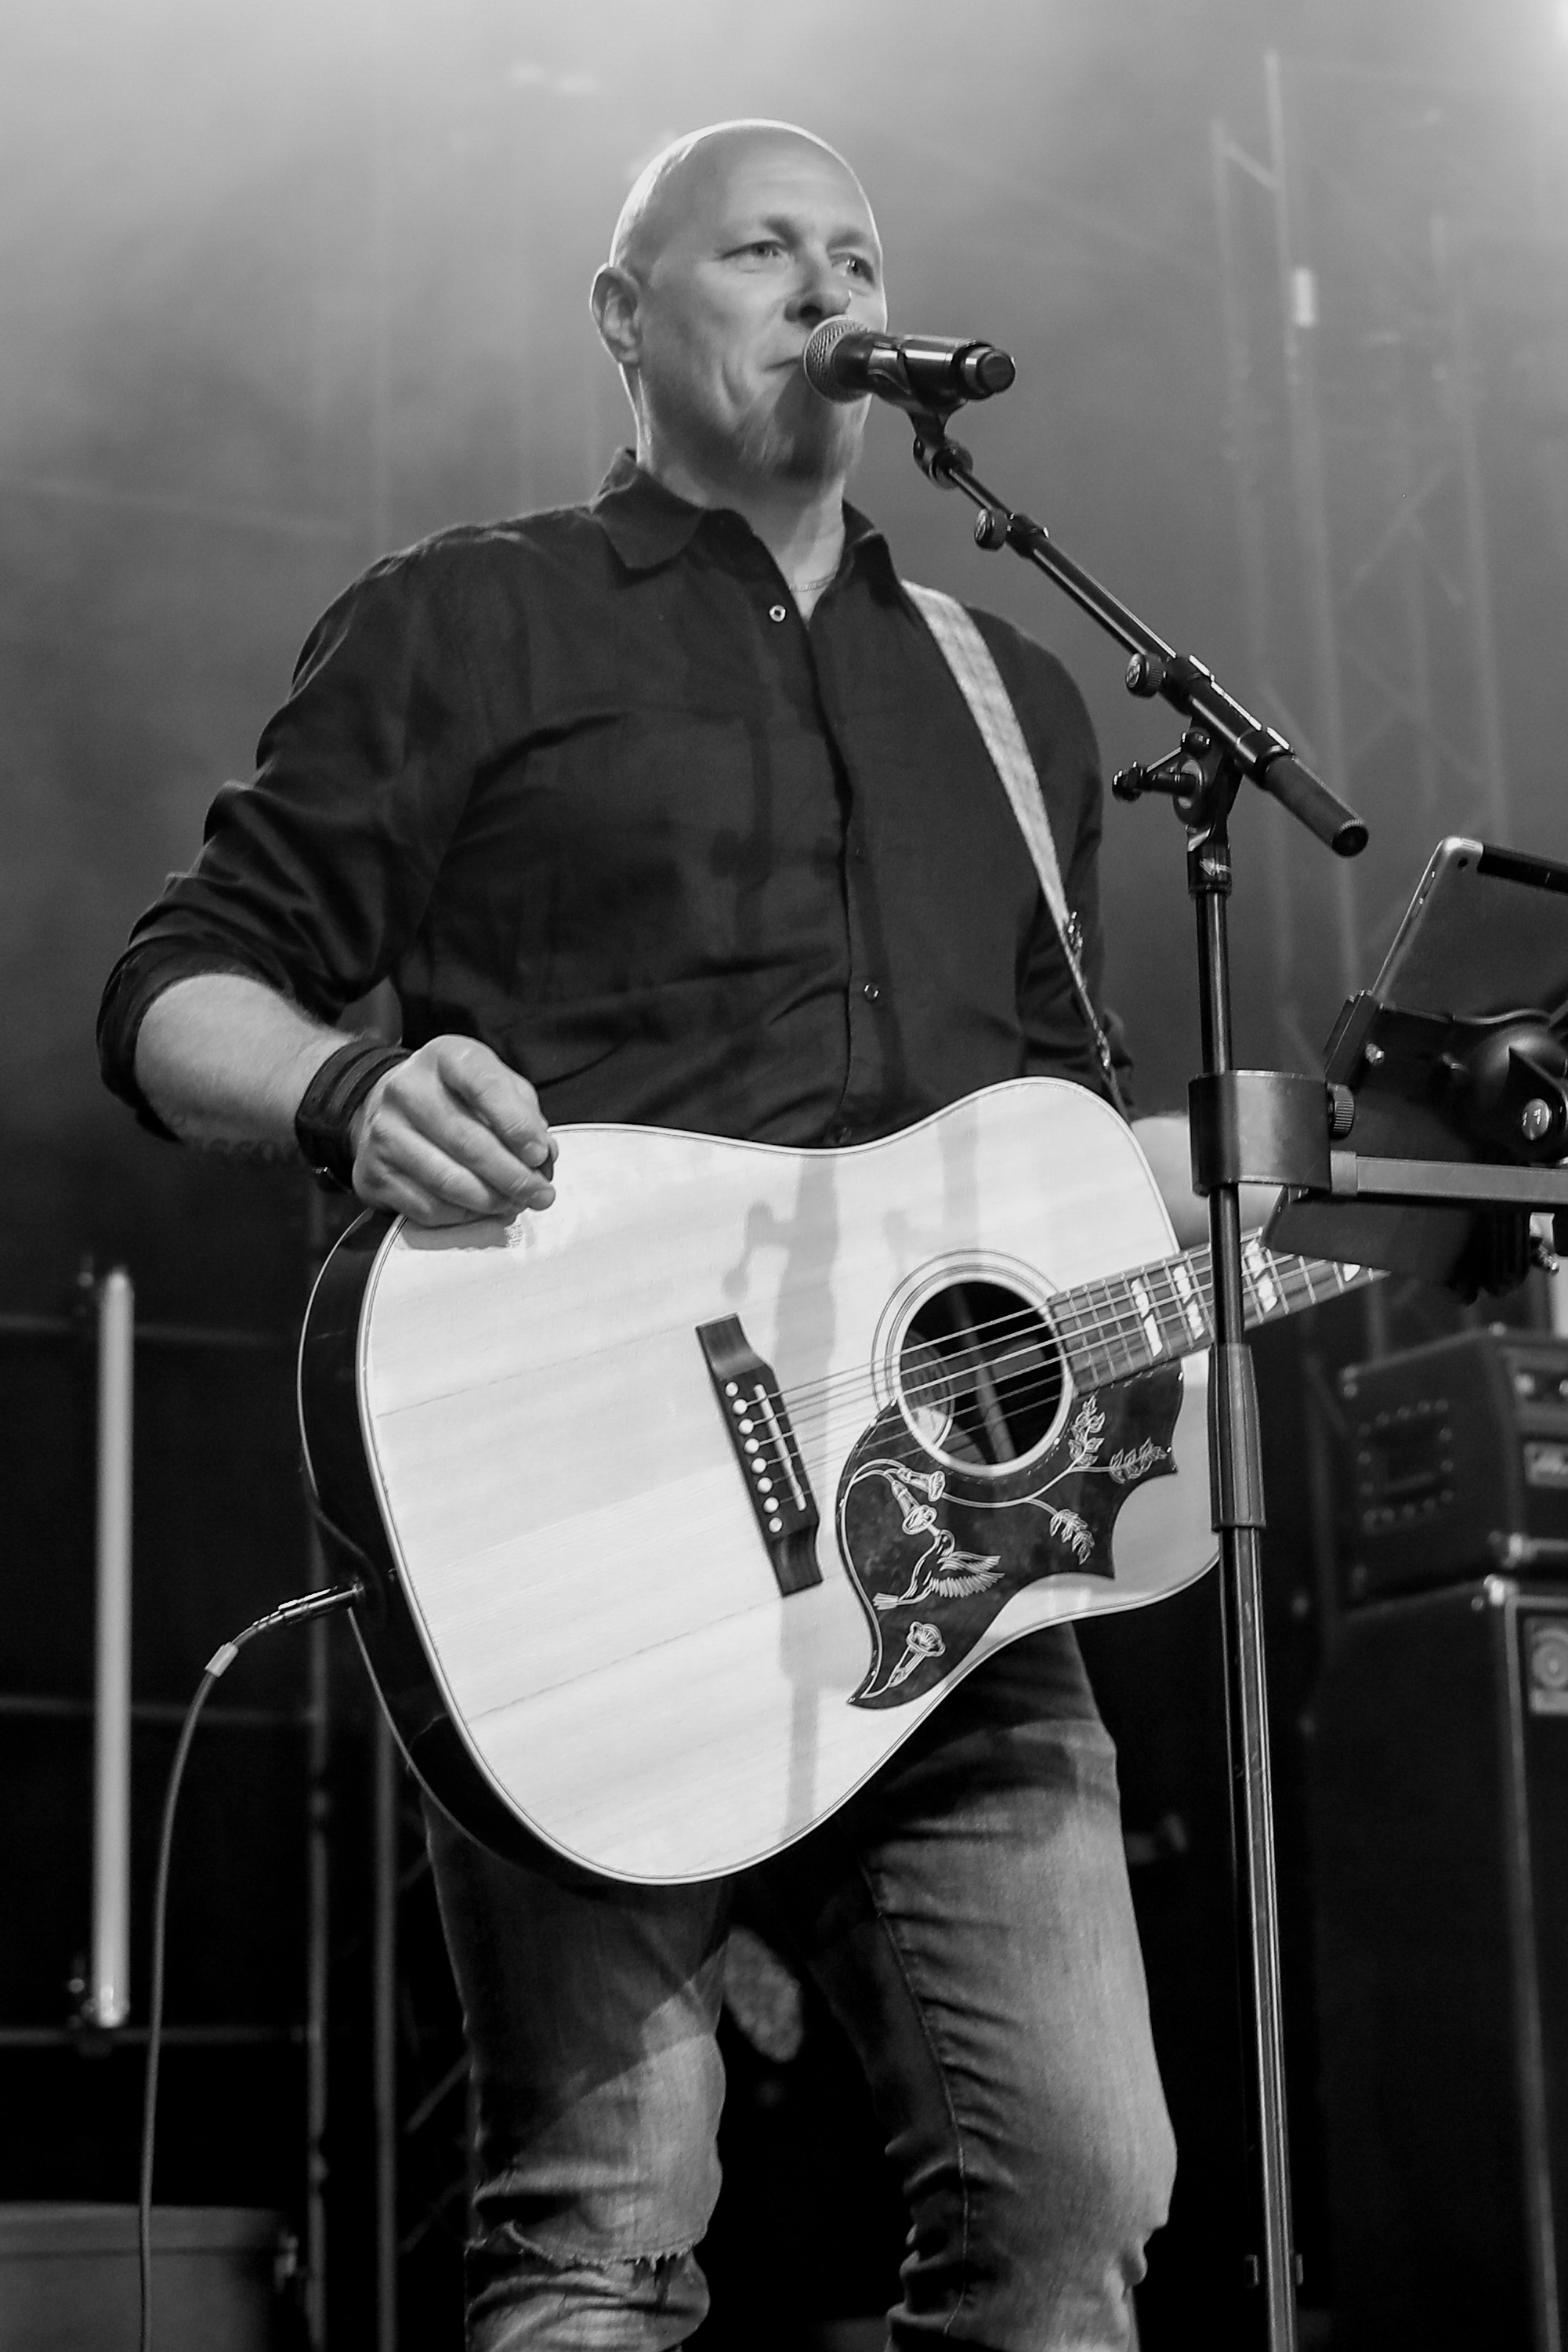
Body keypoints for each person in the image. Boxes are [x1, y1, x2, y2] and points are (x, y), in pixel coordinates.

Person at [100, 119, 1188, 2350]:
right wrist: (347, 1090)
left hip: (949, 1548)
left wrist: (1262, 1206)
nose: (826, 288)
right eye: (761, 248)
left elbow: (1057, 1129)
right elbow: (174, 984)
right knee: (604, 2222)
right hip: (594, 1521)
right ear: (623, 313)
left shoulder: (1015, 695)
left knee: (1082, 2196)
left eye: (856, 253)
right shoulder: (468, 617)